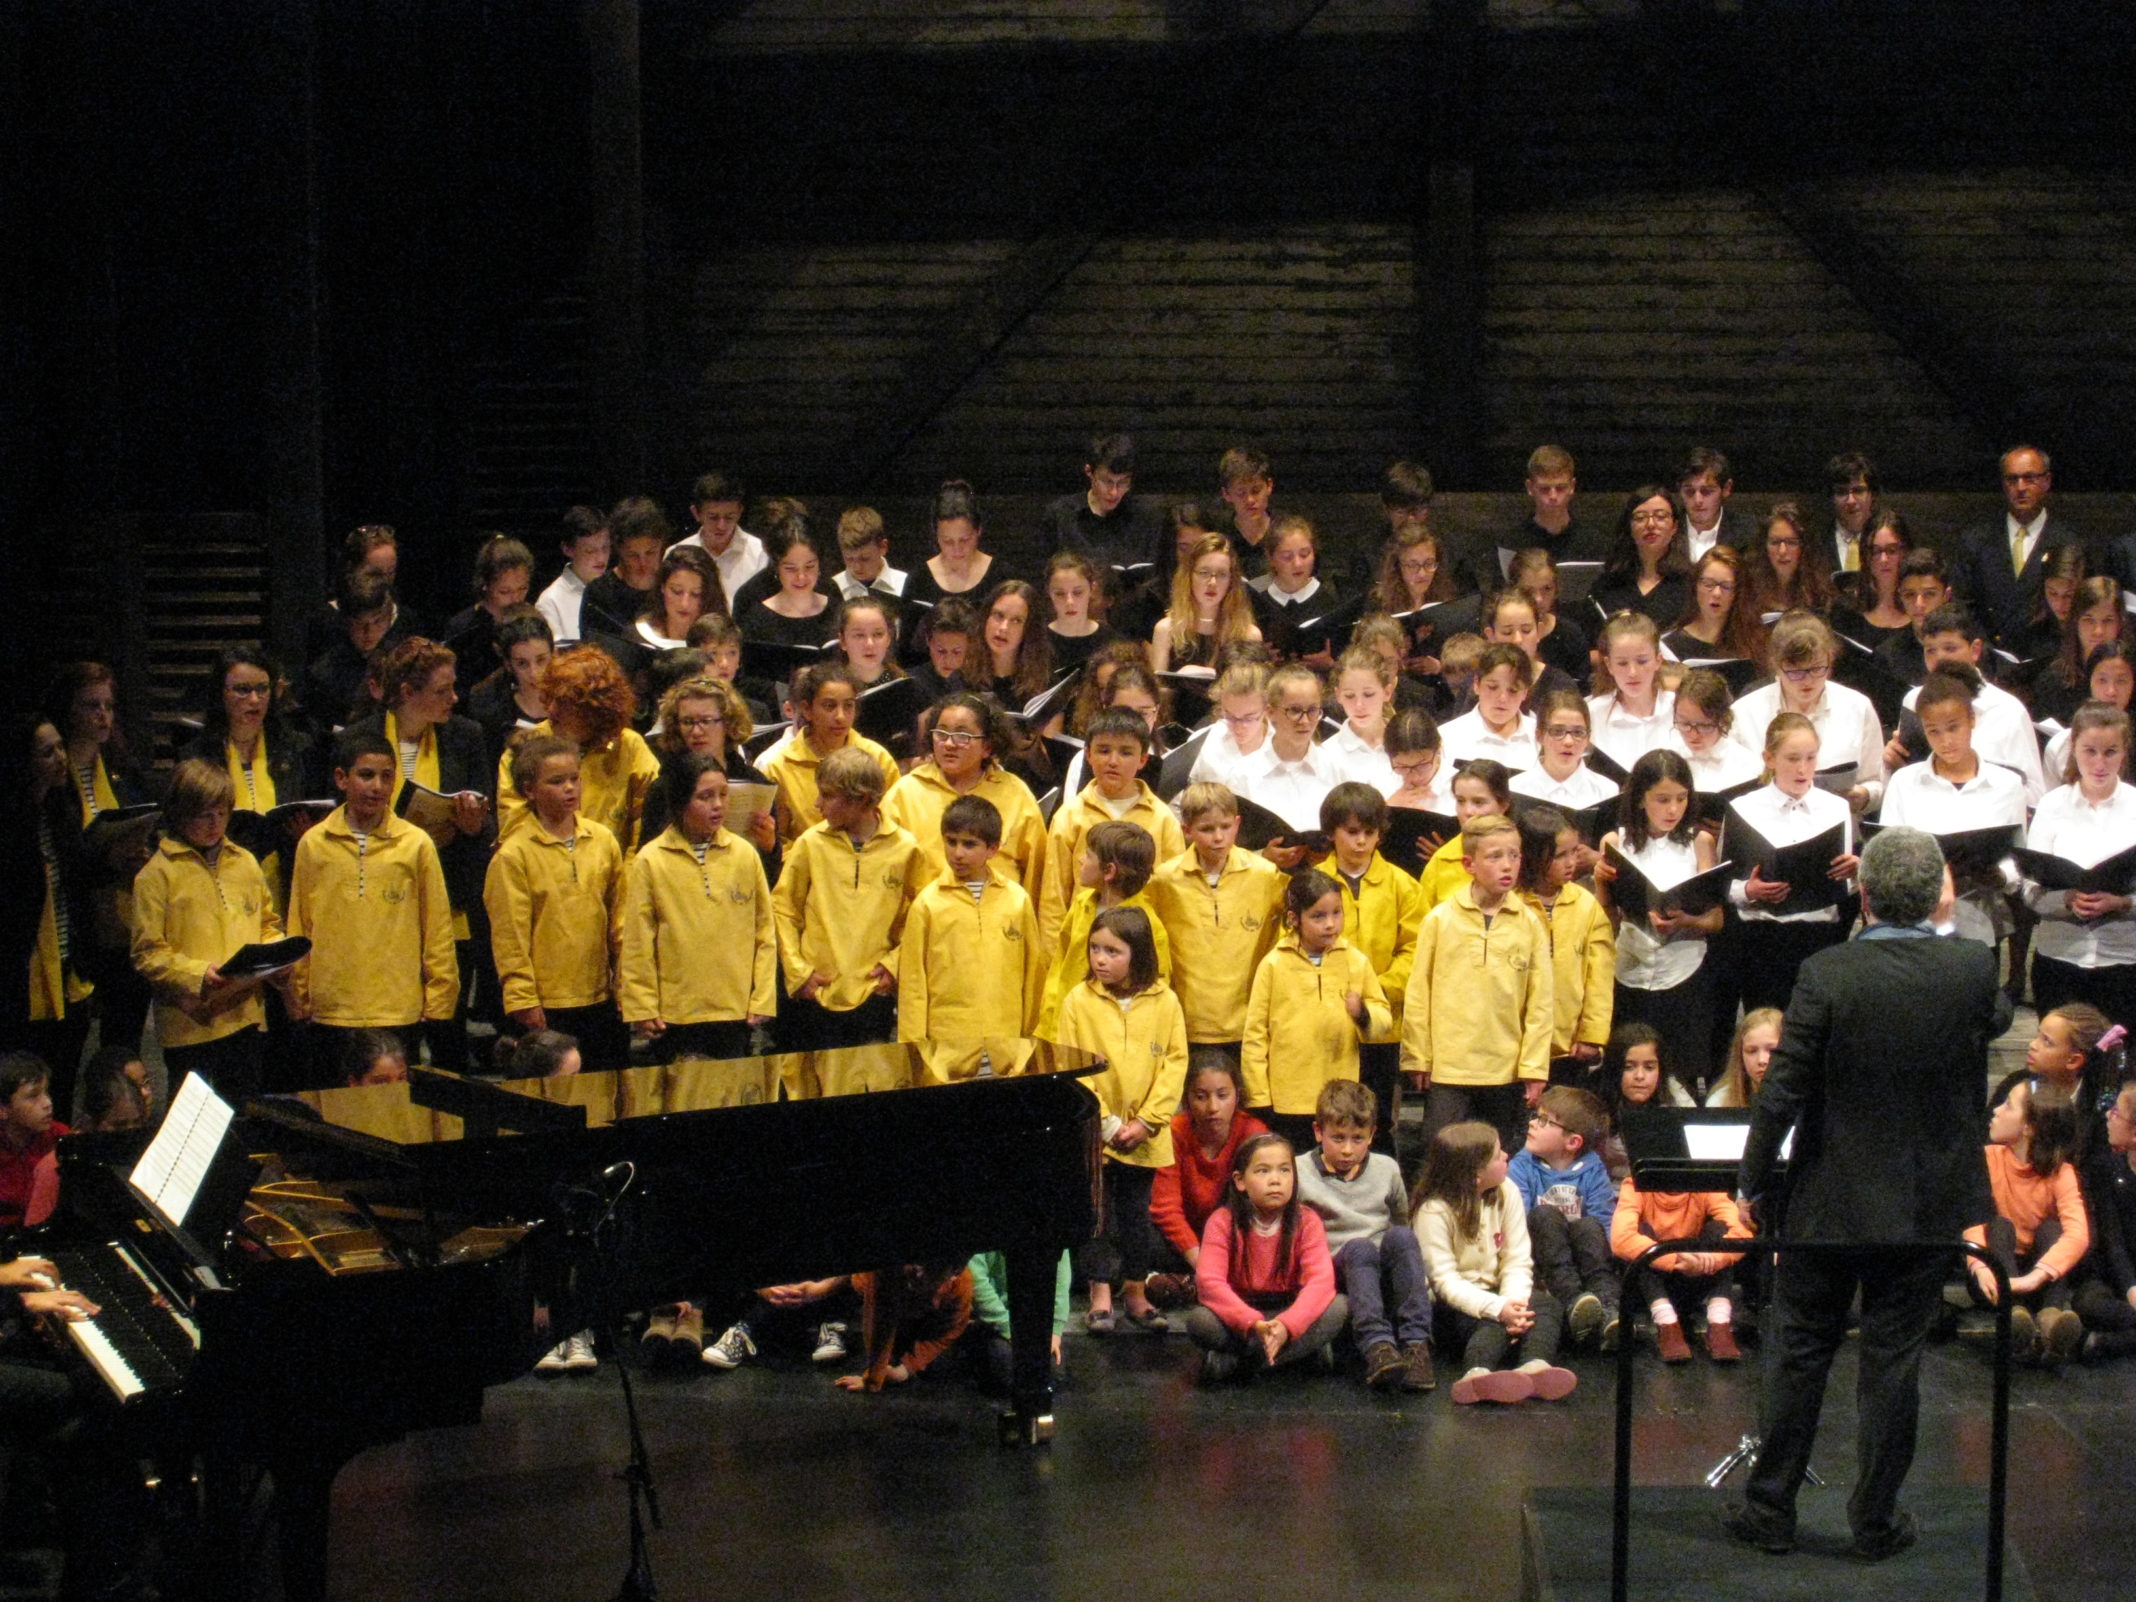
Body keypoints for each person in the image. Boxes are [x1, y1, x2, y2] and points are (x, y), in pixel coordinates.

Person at [1727, 825, 2008, 1562]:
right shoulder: (1971, 968)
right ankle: (1875, 1522)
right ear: (1935, 895)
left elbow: (1782, 1090)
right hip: (1924, 1203)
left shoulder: (1827, 972)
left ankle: (1770, 1512)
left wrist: (1752, 1181)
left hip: (1830, 1197)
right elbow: (2000, 1018)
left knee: (1799, 1352)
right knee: (1894, 1361)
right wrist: (1943, 924)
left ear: (1863, 891)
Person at [286, 728, 457, 1088]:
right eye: (366, 775)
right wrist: (298, 993)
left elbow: (437, 927)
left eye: (386, 777)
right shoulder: (314, 844)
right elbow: (299, 926)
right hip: (333, 1007)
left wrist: (439, 998)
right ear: (341, 778)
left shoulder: (416, 844)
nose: (376, 786)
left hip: (397, 1005)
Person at [1052, 906, 1188, 1335]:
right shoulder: (1078, 1000)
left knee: (1135, 1217)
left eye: (1113, 951)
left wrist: (1147, 1121)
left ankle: (1134, 1290)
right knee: (1099, 1216)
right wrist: (1108, 1123)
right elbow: (1070, 1064)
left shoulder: (1165, 1001)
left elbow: (1174, 1063)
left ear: (1139, 954)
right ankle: (1100, 1293)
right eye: (1095, 949)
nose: (1100, 959)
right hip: (1097, 1134)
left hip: (1145, 1136)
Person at [130, 759, 283, 1101]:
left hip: (246, 1017)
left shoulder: (244, 862)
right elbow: (147, 953)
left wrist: (277, 954)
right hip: (190, 1025)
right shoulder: (157, 875)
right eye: (204, 815)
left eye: (222, 813)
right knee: (191, 1123)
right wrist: (198, 972)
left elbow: (267, 923)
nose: (215, 824)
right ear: (180, 813)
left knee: (244, 1117)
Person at [1403, 812, 1553, 1154]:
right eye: (1495, 856)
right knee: (1440, 1152)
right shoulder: (1440, 920)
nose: (1507, 865)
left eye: (1514, 855)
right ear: (1469, 864)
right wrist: (1418, 1056)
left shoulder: (1529, 923)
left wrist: (1533, 1066)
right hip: (1450, 1066)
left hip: (1504, 1069)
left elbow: (1540, 1001)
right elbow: (1418, 993)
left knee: (1498, 1156)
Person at [483, 735, 629, 1075]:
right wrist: (523, 1000)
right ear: (529, 789)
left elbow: (620, 919)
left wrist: (625, 984)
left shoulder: (602, 840)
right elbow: (509, 938)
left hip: (599, 998)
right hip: (547, 1005)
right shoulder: (514, 854)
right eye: (556, 781)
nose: (570, 788)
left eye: (574, 778)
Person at [617, 754, 777, 1063]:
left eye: (722, 794)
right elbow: (638, 938)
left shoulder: (744, 854)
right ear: (679, 801)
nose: (718, 804)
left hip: (734, 1007)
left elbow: (765, 932)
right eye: (705, 797)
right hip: (675, 1012)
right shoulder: (651, 860)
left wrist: (763, 995)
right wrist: (642, 1004)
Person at [1412, 1119, 1576, 1404]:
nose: (1506, 1156)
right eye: (1497, 1154)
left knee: (1546, 1306)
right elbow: (1444, 1282)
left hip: (1497, 1293)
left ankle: (1534, 1367)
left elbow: (1517, 1258)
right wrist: (1500, 1309)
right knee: (1490, 1323)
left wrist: (1515, 1303)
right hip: (1452, 1306)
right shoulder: (1433, 1211)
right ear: (1476, 1173)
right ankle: (1476, 1374)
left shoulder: (1506, 1190)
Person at [771, 746, 924, 1051]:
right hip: (816, 992)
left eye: (827, 796)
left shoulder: (905, 848)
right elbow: (783, 909)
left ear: (862, 799)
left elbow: (922, 916)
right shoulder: (810, 843)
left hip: (871, 994)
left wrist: (895, 964)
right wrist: (799, 972)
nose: (817, 804)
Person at [1595, 748, 1723, 1092]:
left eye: (1681, 799)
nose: (1673, 809)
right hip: (1630, 969)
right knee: (1626, 1070)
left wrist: (1685, 921)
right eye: (1662, 799)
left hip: (1683, 972)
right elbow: (1605, 919)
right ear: (1640, 799)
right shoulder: (1615, 841)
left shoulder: (1699, 843)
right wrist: (1600, 880)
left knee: (1678, 1072)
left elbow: (1715, 920)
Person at [1295, 1080, 1436, 1390]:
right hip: (1333, 1266)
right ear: (1319, 1132)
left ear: (1372, 1135)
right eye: (1338, 1138)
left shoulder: (1387, 1168)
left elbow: (1400, 1218)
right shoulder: (1299, 1171)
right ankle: (1377, 1346)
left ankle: (1416, 1345)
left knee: (1402, 1237)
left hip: (1376, 1264)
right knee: (1359, 1248)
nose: (1347, 1149)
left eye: (1358, 1139)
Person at [1242, 868, 1393, 1150]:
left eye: (1337, 913)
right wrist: (1260, 1097)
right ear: (1294, 919)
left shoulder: (1355, 961)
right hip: (1288, 1098)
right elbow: (1255, 1035)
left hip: (1339, 1100)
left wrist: (1362, 1014)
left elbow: (1383, 1020)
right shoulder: (1274, 964)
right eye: (1318, 916)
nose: (1330, 924)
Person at [1723, 712, 1861, 1016]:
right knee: (1767, 1030)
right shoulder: (1743, 808)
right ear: (1769, 758)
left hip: (1820, 938)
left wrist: (1854, 872)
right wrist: (1750, 889)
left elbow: (1847, 887)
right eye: (1792, 758)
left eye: (1811, 758)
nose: (1803, 768)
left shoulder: (1836, 808)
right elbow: (1725, 885)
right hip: (1764, 942)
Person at [1878, 670, 2028, 948]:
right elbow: (1889, 854)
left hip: (1980, 918)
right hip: (1917, 922)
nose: (1945, 741)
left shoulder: (2007, 784)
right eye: (1933, 731)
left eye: (1953, 727)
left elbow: (2017, 857)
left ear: (1972, 720)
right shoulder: (1904, 782)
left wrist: (1999, 875)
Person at [1187, 1132, 1347, 1383]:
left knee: (1339, 1306)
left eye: (1284, 1171)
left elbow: (1320, 1282)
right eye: (1263, 1171)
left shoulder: (1306, 1220)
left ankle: (1241, 1364)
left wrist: (1287, 1325)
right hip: (1242, 1316)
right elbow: (1209, 1283)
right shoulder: (1222, 1221)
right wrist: (1252, 1322)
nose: (1275, 1180)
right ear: (1240, 1181)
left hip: (1288, 1309)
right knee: (1200, 1321)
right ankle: (1297, 1356)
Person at [1313, 783, 1421, 1148]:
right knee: (1327, 1112)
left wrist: (1377, 989)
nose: (1361, 842)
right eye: (1352, 832)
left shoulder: (1402, 885)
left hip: (1381, 1025)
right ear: (1331, 832)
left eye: (1369, 833)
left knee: (1377, 1118)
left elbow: (1415, 950)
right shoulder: (1313, 884)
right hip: (1326, 1021)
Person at [1145, 783, 1286, 1055]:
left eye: (1225, 827)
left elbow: (1279, 941)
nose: (1218, 837)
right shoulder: (1164, 880)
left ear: (1237, 823)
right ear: (1187, 830)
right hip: (1187, 1021)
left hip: (1248, 1020)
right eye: (1207, 829)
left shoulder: (1266, 875)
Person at [895, 795, 1045, 1048]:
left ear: (993, 849)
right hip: (946, 1041)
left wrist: (1032, 1037)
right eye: (951, 842)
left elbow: (1033, 975)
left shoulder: (1017, 900)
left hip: (1006, 1038)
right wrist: (913, 1047)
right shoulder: (927, 904)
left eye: (969, 844)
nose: (957, 853)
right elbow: (912, 983)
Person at [2023, 702, 2136, 1030]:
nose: (2100, 763)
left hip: (2123, 961)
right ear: (2073, 749)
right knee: (2059, 1067)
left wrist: (2124, 902)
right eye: (2090, 751)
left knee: (2117, 1069)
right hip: (2060, 959)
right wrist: (2067, 899)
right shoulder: (2052, 805)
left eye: (2110, 752)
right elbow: (2031, 890)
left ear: (2124, 751)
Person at [1965, 1076, 2090, 1364]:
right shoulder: (1987, 1159)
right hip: (1994, 1276)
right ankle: (2014, 1315)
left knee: (2053, 1229)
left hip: (2035, 1279)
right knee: (1998, 1225)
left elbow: (2078, 1233)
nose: (1996, 1110)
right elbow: (1971, 1221)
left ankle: (2050, 1319)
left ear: (2029, 1127)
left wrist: (2035, 1278)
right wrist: (1979, 1267)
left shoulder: (2061, 1172)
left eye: (2007, 1106)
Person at [1039, 707, 1183, 953]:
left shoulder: (1162, 819)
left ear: (1143, 760)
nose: (1113, 761)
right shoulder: (1071, 816)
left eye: (1126, 752)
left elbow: (1174, 896)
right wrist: (1054, 959)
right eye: (1103, 750)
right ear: (1088, 755)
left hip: (1141, 948)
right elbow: (1054, 898)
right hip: (1083, 946)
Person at [497, 647, 661, 854]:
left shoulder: (630, 747)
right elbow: (513, 826)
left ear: (596, 710)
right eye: (551, 697)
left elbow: (647, 830)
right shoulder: (525, 748)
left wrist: (622, 881)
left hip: (614, 876)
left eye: (565, 703)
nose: (551, 710)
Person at [882, 694, 1047, 893]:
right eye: (941, 733)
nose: (949, 744)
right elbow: (884, 868)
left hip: (998, 917)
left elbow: (1038, 877)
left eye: (962, 736)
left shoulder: (1015, 793)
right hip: (925, 917)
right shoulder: (906, 792)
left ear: (987, 747)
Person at [1146, 1052, 1269, 1305]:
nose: (1212, 1107)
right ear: (1187, 1099)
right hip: (1184, 1244)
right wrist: (1204, 1265)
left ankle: (1188, 1285)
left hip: (1230, 1239)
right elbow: (1165, 1209)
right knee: (1136, 1236)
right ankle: (1200, 1282)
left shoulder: (1253, 1133)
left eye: (1222, 1096)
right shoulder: (1175, 1131)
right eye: (1201, 1097)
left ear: (1237, 1095)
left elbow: (1261, 1205)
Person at [1509, 1084, 1621, 1349]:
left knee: (1589, 1226)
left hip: (1583, 1254)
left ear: (1573, 1142)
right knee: (1545, 1215)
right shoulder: (1522, 1165)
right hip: (1544, 1256)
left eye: (1545, 1121)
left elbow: (1603, 1219)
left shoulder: (1592, 1168)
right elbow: (1517, 1217)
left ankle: (1608, 1311)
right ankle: (1574, 1302)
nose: (1533, 1124)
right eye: (1536, 1116)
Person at [1037, 820, 1170, 1038]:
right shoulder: (1081, 905)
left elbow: (1155, 990)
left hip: (1111, 1037)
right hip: (1066, 1030)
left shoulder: (1148, 925)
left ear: (1109, 871)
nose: (1080, 859)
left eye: (1088, 855)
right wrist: (1049, 1021)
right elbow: (1059, 968)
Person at [1611, 1162, 1753, 1364]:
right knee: (1640, 1234)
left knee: (1719, 1231)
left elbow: (1743, 1232)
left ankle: (1719, 1321)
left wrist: (1712, 1260)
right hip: (1652, 1287)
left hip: (1696, 1276)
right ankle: (1666, 1323)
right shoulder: (1636, 1183)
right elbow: (1620, 1239)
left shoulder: (1704, 1183)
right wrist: (1677, 1259)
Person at [1515, 805, 1614, 1082]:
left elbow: (1599, 977)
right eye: (1560, 856)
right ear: (1532, 857)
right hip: (1515, 1046)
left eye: (1575, 852)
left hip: (1569, 1047)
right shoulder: (1510, 903)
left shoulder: (1585, 904)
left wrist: (1592, 1035)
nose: (1572, 862)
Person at [1950, 444, 2084, 649]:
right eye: (2012, 479)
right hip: (1988, 658)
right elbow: (1963, 606)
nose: (2021, 487)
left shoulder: (2069, 543)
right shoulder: (1975, 541)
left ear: (2047, 481)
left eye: (2030, 478)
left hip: (2049, 660)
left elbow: (2079, 611)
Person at [760, 662, 901, 850]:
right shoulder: (779, 766)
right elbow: (780, 842)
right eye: (829, 706)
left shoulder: (877, 758)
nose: (841, 717)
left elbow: (894, 826)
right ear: (807, 709)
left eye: (849, 706)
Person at [2075, 1080, 2136, 1359]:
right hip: (2113, 1276)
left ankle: (2115, 1343)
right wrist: (2131, 1287)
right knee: (2088, 1303)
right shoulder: (2106, 1169)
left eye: (2116, 1113)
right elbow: (2113, 1241)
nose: (2108, 1117)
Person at [1047, 429, 1163, 572]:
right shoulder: (1061, 514)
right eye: (1107, 482)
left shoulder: (1147, 516)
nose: (1114, 492)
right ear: (1089, 472)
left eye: (1122, 483)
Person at [1148, 533, 1261, 673]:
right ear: (1189, 576)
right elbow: (1158, 691)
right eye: (1204, 573)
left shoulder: (1248, 635)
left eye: (1222, 574)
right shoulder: (1166, 630)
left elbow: (1253, 691)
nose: (1213, 582)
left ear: (1232, 581)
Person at [442, 534, 538, 694]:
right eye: (505, 591)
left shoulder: (533, 620)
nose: (516, 599)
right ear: (485, 585)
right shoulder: (464, 628)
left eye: (522, 589)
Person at [1415, 758, 1513, 912]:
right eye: (1460, 801)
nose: (1467, 812)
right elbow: (1423, 923)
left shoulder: (1525, 858)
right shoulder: (1441, 860)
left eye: (1479, 802)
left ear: (1503, 805)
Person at [1591, 485, 1692, 627]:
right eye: (1640, 518)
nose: (1650, 524)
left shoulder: (1691, 584)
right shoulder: (1608, 584)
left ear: (1674, 527)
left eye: (1660, 516)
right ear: (1630, 528)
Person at [1665, 546, 1767, 673]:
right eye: (1709, 584)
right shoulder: (1671, 646)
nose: (1717, 593)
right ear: (1695, 586)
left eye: (1726, 586)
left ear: (1738, 592)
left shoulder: (1753, 640)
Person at [903, 480, 1001, 613]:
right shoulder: (919, 580)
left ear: (978, 531)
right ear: (936, 536)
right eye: (947, 541)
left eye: (965, 540)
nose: (957, 549)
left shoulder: (1001, 577)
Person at [669, 470, 767, 600]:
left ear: (739, 512)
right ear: (696, 513)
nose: (721, 526)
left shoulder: (760, 553)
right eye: (713, 517)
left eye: (729, 517)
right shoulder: (676, 553)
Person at [1437, 644, 1537, 771]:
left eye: (1513, 690)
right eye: (1492, 687)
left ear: (1525, 692)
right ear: (1476, 684)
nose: (1502, 698)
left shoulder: (1542, 737)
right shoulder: (1447, 737)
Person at [579, 501, 667, 641]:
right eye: (633, 555)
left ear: (661, 544)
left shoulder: (673, 585)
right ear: (619, 550)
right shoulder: (599, 593)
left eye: (650, 553)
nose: (643, 563)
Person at [1741, 502, 1837, 623]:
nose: (1782, 551)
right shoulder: (1748, 591)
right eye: (1775, 542)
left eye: (1791, 542)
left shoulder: (1821, 595)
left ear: (1805, 546)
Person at [0, 1053, 65, 1231]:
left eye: (46, 1093)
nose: (47, 1103)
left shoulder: (62, 1140)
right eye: (33, 1096)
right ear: (3, 1109)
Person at [535, 505, 611, 646]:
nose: (601, 558)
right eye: (590, 551)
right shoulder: (550, 602)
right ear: (568, 549)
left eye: (605, 548)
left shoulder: (617, 589)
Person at [1039, 550, 1122, 676]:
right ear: (1048, 592)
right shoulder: (1037, 641)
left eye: (1077, 593)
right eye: (1060, 594)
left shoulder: (1112, 642)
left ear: (1092, 589)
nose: (1069, 602)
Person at [1676, 446, 1757, 562]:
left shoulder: (1749, 533)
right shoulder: (1668, 532)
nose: (1697, 500)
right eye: (1689, 491)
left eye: (1706, 491)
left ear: (1726, 488)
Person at [830, 504, 909, 604]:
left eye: (865, 558)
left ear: (883, 547)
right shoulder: (833, 588)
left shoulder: (904, 584)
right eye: (849, 559)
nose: (857, 567)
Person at [1706, 1007, 1782, 1109]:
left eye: (1772, 1050)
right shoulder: (1719, 1101)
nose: (1761, 1060)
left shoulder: (1807, 1099)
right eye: (1752, 1051)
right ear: (1740, 1054)